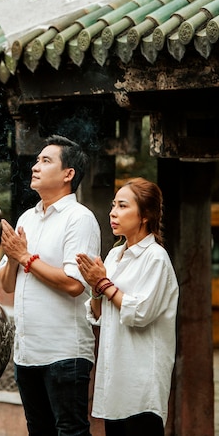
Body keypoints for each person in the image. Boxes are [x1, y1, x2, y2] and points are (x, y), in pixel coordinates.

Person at [0, 134, 101, 436]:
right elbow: (7, 283)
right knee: (38, 431)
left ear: (68, 174)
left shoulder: (79, 219)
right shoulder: (27, 217)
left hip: (64, 351)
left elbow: (74, 284)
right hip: (27, 352)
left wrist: (25, 256)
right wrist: (14, 258)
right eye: (36, 160)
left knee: (70, 431)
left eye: (46, 161)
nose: (35, 167)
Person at [76, 177, 179, 436]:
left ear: (145, 215)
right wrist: (96, 287)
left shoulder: (155, 257)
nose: (113, 212)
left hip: (141, 381)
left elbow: (140, 313)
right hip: (115, 378)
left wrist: (103, 282)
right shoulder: (114, 255)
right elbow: (98, 315)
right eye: (113, 205)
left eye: (122, 206)